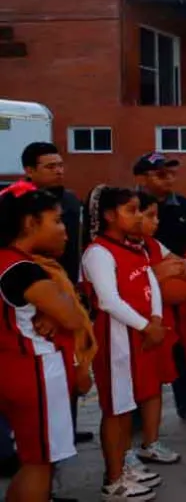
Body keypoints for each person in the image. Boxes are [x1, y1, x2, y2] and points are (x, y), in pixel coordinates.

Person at [0, 182, 91, 502]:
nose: (63, 229)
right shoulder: (24, 271)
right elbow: (75, 318)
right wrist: (58, 307)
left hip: (14, 368)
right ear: (30, 224)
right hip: (36, 373)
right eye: (56, 220)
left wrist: (50, 311)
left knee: (32, 459)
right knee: (39, 464)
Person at [82, 185, 167, 500]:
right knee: (116, 409)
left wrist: (156, 319)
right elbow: (107, 301)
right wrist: (146, 325)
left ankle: (124, 464)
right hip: (117, 341)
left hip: (142, 336)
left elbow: (152, 283)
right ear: (108, 216)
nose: (138, 217)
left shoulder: (138, 247)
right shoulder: (98, 253)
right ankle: (113, 480)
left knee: (130, 403)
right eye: (130, 211)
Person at [22, 142, 91, 446]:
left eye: (60, 164)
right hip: (33, 297)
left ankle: (67, 430)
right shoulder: (17, 202)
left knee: (71, 363)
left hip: (69, 289)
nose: (59, 170)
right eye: (50, 166)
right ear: (30, 170)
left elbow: (80, 243)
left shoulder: (72, 201)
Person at [133, 152, 186, 426]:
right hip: (140, 292)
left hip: (176, 288)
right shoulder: (128, 207)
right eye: (160, 174)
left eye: (171, 173)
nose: (168, 179)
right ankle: (138, 412)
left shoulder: (185, 207)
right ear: (142, 178)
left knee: (181, 348)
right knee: (144, 351)